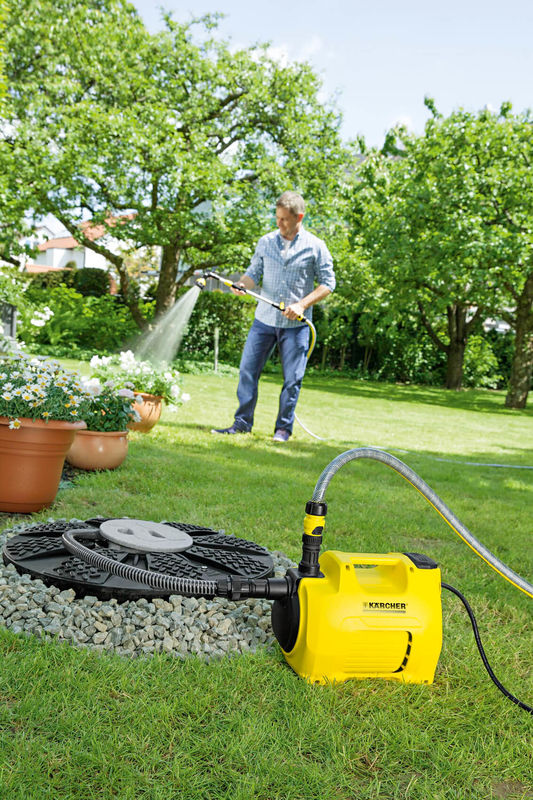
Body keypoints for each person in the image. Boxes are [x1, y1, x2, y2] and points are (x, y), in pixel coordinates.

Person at [211, 190, 335, 442]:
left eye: (284, 219)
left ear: (299, 217)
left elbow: (328, 283)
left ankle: (283, 429)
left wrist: (302, 305)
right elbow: (252, 273)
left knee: (292, 380)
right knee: (247, 371)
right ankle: (242, 423)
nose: (279, 223)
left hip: (296, 326)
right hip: (264, 321)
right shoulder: (266, 242)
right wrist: (242, 285)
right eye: (277, 218)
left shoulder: (316, 246)